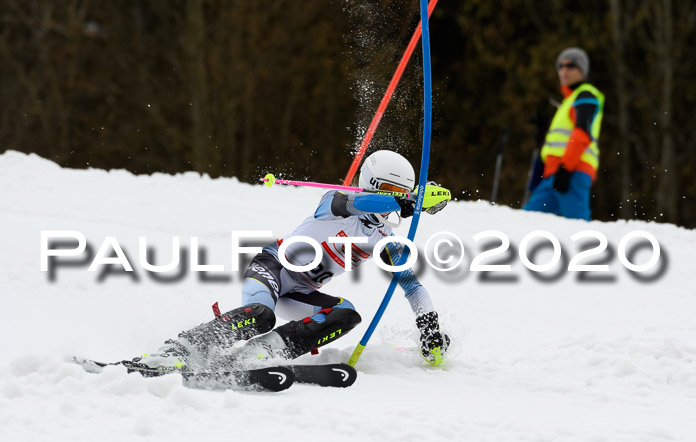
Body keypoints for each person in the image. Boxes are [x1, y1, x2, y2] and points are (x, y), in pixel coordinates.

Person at [133, 150, 450, 372]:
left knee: (347, 313)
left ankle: (259, 354)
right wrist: (406, 199)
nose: (399, 200)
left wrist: (429, 325)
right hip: (271, 268)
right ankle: (179, 350)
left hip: (301, 292)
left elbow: (411, 285)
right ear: (377, 186)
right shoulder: (337, 202)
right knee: (260, 315)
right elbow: (356, 202)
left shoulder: (384, 235)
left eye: (404, 193)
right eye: (394, 191)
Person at [523, 47, 605, 221]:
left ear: (582, 70)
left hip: (573, 172)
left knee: (578, 230)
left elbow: (582, 133)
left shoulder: (586, 95)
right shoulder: (569, 100)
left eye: (570, 66)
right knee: (526, 222)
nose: (564, 70)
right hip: (554, 174)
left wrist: (566, 169)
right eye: (560, 66)